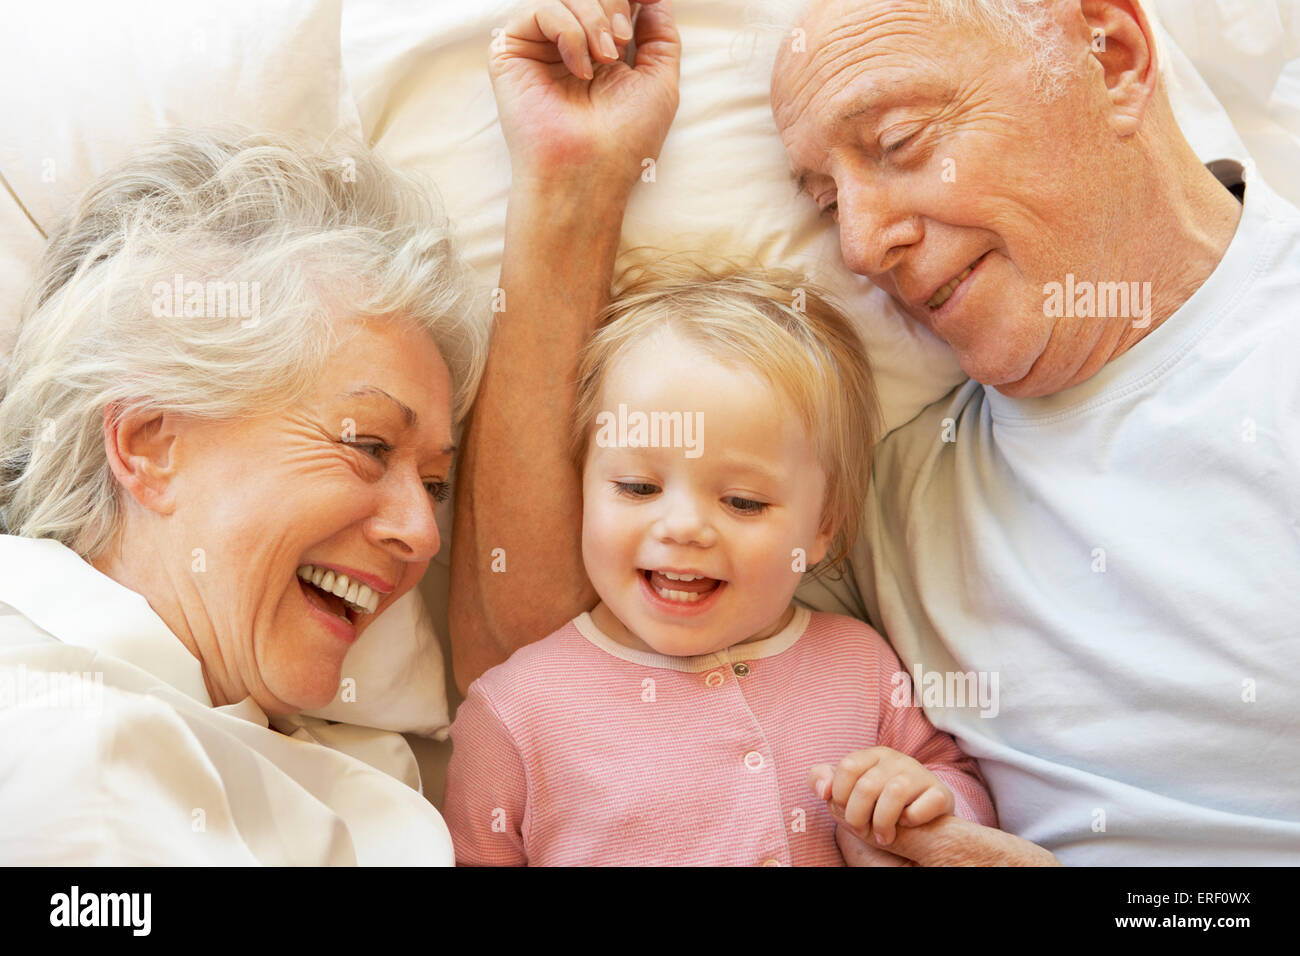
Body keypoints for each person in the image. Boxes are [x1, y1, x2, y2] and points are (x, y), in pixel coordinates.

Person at [453, 0, 1300, 865]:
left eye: (901, 143)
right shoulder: (883, 493)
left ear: (1110, 56)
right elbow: (539, 651)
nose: (858, 246)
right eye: (825, 202)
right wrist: (574, 182)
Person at [0, 129, 487, 864]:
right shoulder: (69, 748)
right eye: (368, 445)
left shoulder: (271, 744)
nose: (423, 533)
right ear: (150, 444)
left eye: (435, 484)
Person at [443, 263, 996, 865]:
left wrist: (927, 798)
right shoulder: (514, 710)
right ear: (582, 488)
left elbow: (962, 791)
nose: (682, 527)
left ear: (823, 527)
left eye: (742, 502)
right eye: (635, 487)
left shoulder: (858, 666)